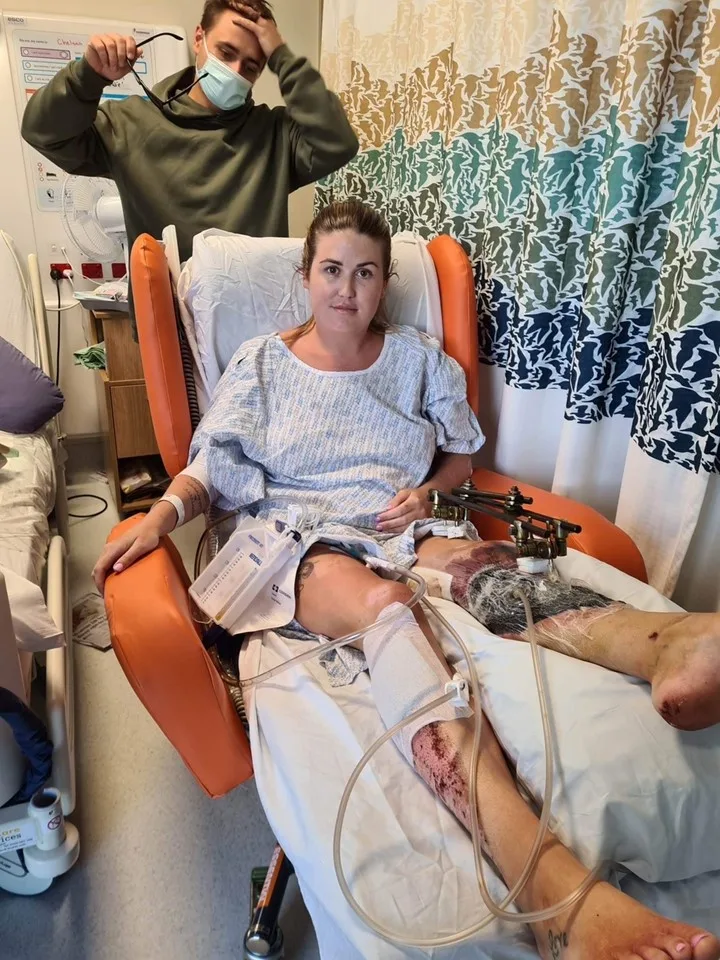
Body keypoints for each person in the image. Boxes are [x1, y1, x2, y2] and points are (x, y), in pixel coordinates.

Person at [93, 201, 720, 960]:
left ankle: (668, 643)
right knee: (385, 607)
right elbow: (210, 470)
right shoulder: (260, 363)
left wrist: (430, 494)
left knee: (483, 576)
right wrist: (159, 518)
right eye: (332, 271)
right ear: (306, 277)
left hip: (407, 526)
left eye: (364, 273)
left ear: (384, 282)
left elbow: (459, 456)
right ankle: (551, 891)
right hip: (300, 540)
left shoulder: (420, 358)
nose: (347, 289)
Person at [21, 0, 358, 271]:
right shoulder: (130, 123)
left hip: (256, 329)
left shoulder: (275, 135)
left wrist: (282, 57)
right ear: (199, 38)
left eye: (252, 66)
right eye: (226, 53)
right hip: (169, 331)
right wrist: (87, 77)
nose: (236, 72)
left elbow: (338, 142)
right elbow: (44, 133)